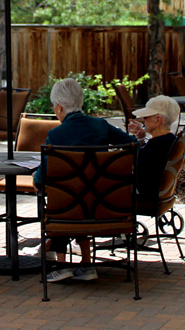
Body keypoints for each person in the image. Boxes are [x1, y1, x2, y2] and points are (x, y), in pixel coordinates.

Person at [32, 78, 136, 282]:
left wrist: (36, 179)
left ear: (59, 107)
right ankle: (87, 263)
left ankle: (61, 265)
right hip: (103, 204)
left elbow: (43, 172)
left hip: (68, 209)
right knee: (80, 193)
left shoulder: (56, 135)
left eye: (54, 107)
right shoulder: (100, 126)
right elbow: (132, 145)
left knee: (61, 194)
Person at [127, 95, 181, 207]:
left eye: (146, 117)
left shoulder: (157, 145)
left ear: (158, 120)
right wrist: (141, 138)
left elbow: (135, 168)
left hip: (145, 196)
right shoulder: (170, 140)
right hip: (160, 194)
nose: (143, 120)